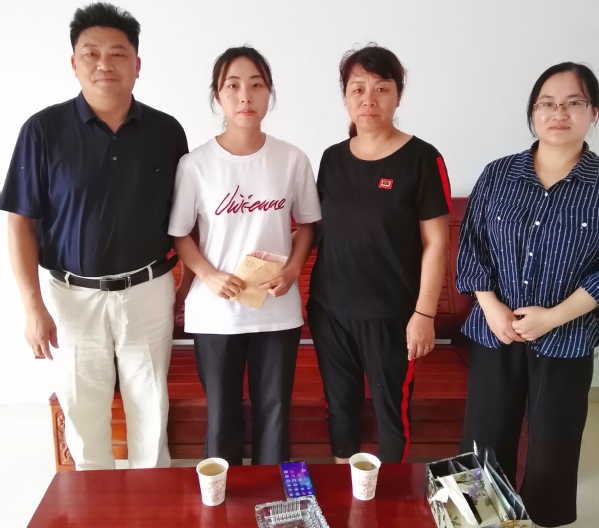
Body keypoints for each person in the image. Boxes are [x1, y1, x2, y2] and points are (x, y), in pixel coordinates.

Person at [0, 3, 188, 470]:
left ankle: (151, 499)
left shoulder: (167, 132)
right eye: (92, 54)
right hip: (72, 297)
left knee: (150, 407)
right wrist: (32, 307)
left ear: (137, 64)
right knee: (83, 412)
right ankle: (94, 502)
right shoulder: (42, 131)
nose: (105, 64)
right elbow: (20, 222)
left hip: (148, 290)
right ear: (74, 62)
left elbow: (185, 218)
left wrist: (185, 286)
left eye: (118, 54)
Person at [457, 62, 599, 527]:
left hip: (567, 336)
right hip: (495, 330)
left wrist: (553, 316)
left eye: (573, 103)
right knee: (483, 441)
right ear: (533, 112)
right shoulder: (499, 174)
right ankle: (476, 518)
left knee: (555, 445)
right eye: (547, 104)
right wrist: (491, 306)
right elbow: (472, 245)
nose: (559, 113)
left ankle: (542, 520)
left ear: (593, 113)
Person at [168, 46, 321, 466]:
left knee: (275, 413)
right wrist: (209, 275)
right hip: (216, 311)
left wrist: (293, 269)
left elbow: (309, 224)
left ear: (269, 92)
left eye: (256, 85)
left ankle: (273, 495)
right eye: (232, 86)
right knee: (223, 417)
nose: (245, 96)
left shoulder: (292, 159)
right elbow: (180, 235)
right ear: (218, 96)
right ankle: (225, 498)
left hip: (276, 308)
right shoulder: (196, 164)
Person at [307, 44, 452, 464]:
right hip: (330, 311)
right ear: (345, 97)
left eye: (381, 88)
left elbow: (437, 243)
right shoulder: (332, 159)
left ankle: (387, 496)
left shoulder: (423, 159)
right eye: (357, 89)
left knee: (392, 416)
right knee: (340, 410)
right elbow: (319, 230)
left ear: (398, 96)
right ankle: (346, 489)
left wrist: (424, 315)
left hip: (393, 316)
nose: (368, 99)